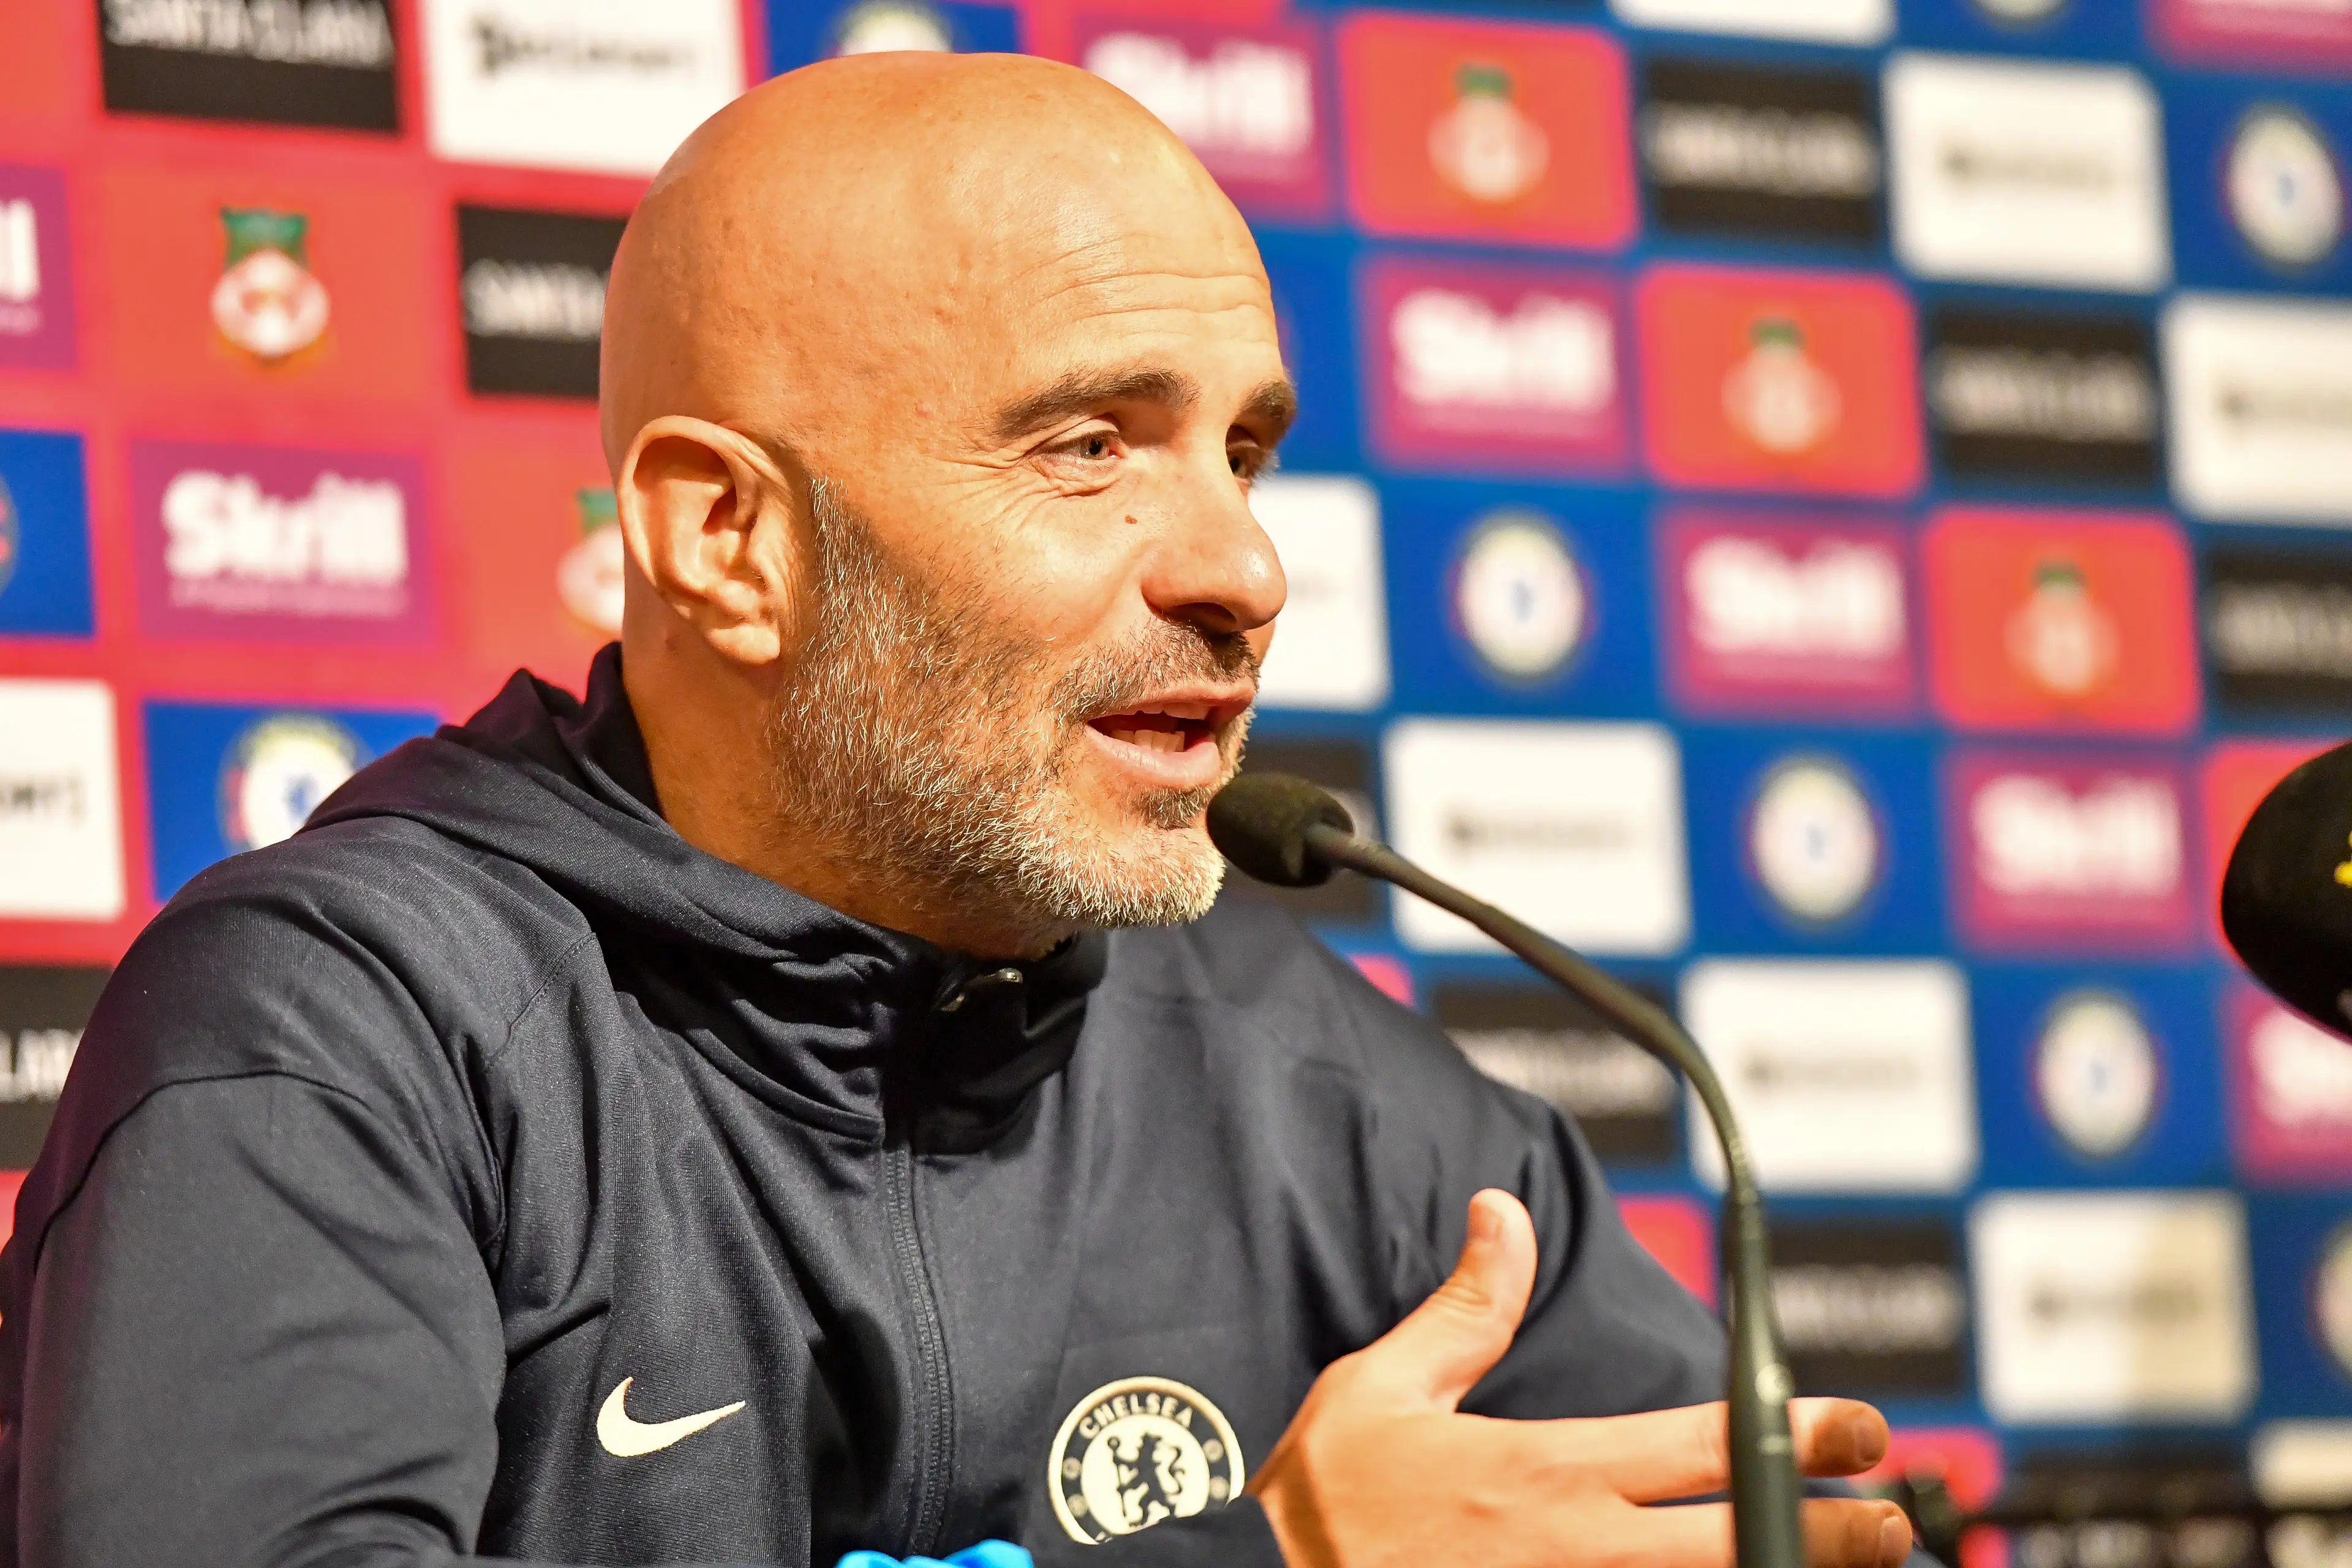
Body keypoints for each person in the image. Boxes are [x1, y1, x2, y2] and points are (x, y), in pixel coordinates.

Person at [0, 52, 1921, 1568]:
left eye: (1240, 448)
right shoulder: (344, 1029)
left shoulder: (1310, 1082)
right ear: (728, 541)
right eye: (1089, 446)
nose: (1243, 563)